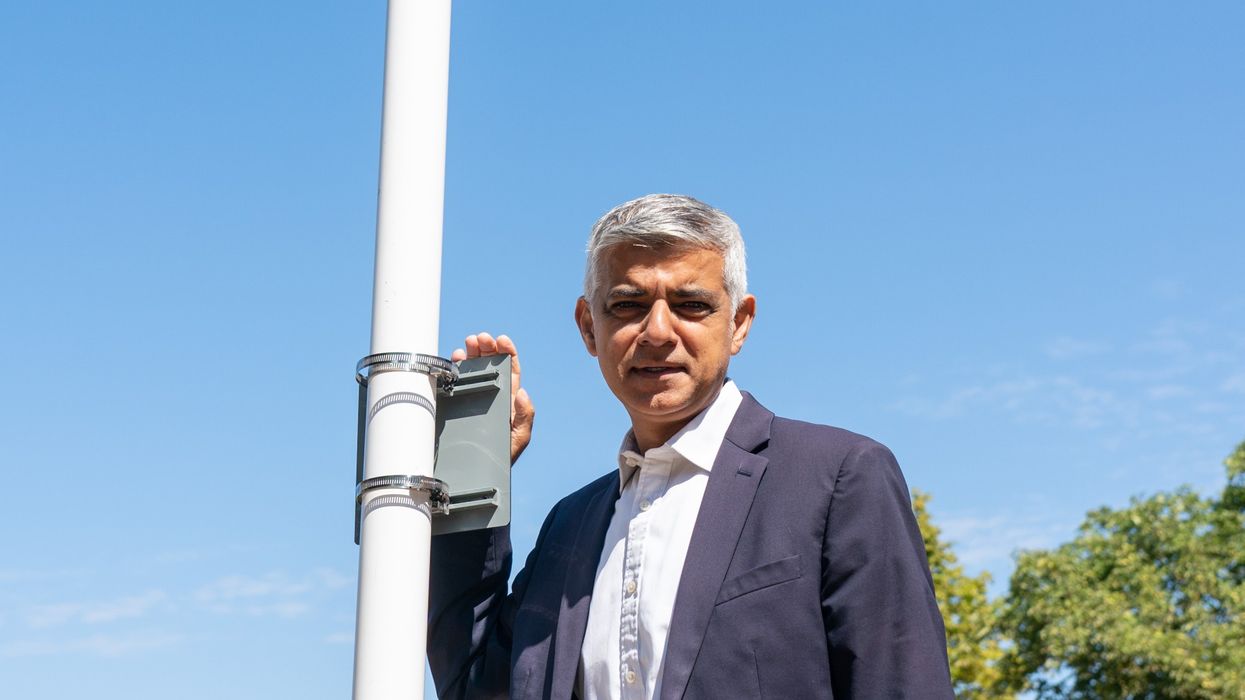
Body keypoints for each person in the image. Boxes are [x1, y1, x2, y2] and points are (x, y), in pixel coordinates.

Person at [429, 194, 953, 699]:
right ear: (590, 327)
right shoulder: (570, 524)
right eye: (628, 304)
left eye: (691, 304)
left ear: (739, 323)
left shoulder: (838, 478)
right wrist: (475, 463)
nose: (657, 331)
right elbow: (473, 686)